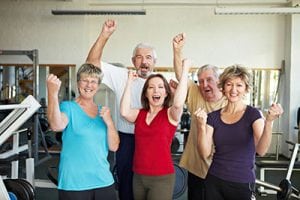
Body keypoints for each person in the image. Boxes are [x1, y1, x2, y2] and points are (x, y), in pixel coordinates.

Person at [86, 19, 157, 200]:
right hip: (126, 139)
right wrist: (105, 35)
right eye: (140, 57)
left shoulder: (159, 81)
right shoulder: (121, 75)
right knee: (126, 182)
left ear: (154, 62)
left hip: (151, 138)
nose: (144, 61)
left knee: (151, 182)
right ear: (133, 61)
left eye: (148, 57)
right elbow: (92, 63)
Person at [195, 64, 284, 200]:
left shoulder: (253, 114)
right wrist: (201, 126)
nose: (233, 90)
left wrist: (269, 122)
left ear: (246, 89)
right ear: (223, 88)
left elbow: (261, 150)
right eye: (229, 84)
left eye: (239, 85)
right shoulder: (213, 117)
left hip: (242, 182)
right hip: (214, 180)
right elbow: (204, 153)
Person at [120, 57, 190, 200]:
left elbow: (178, 103)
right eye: (151, 87)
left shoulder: (170, 114)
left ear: (166, 93)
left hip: (162, 178)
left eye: (160, 87)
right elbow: (124, 112)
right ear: (146, 93)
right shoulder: (140, 113)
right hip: (138, 176)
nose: (155, 90)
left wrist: (185, 70)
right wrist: (129, 83)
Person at [47, 63, 120, 200]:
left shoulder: (102, 111)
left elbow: (114, 146)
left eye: (93, 81)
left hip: (103, 180)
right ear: (78, 83)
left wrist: (109, 122)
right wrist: (52, 93)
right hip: (75, 182)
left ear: (98, 86)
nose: (89, 85)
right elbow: (56, 125)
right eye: (85, 80)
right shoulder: (68, 107)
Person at [172, 33, 227, 199]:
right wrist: (177, 51)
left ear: (219, 81)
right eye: (200, 80)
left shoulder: (229, 101)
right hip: (196, 168)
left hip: (220, 169)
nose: (204, 85)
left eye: (209, 80)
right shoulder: (196, 93)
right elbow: (181, 75)